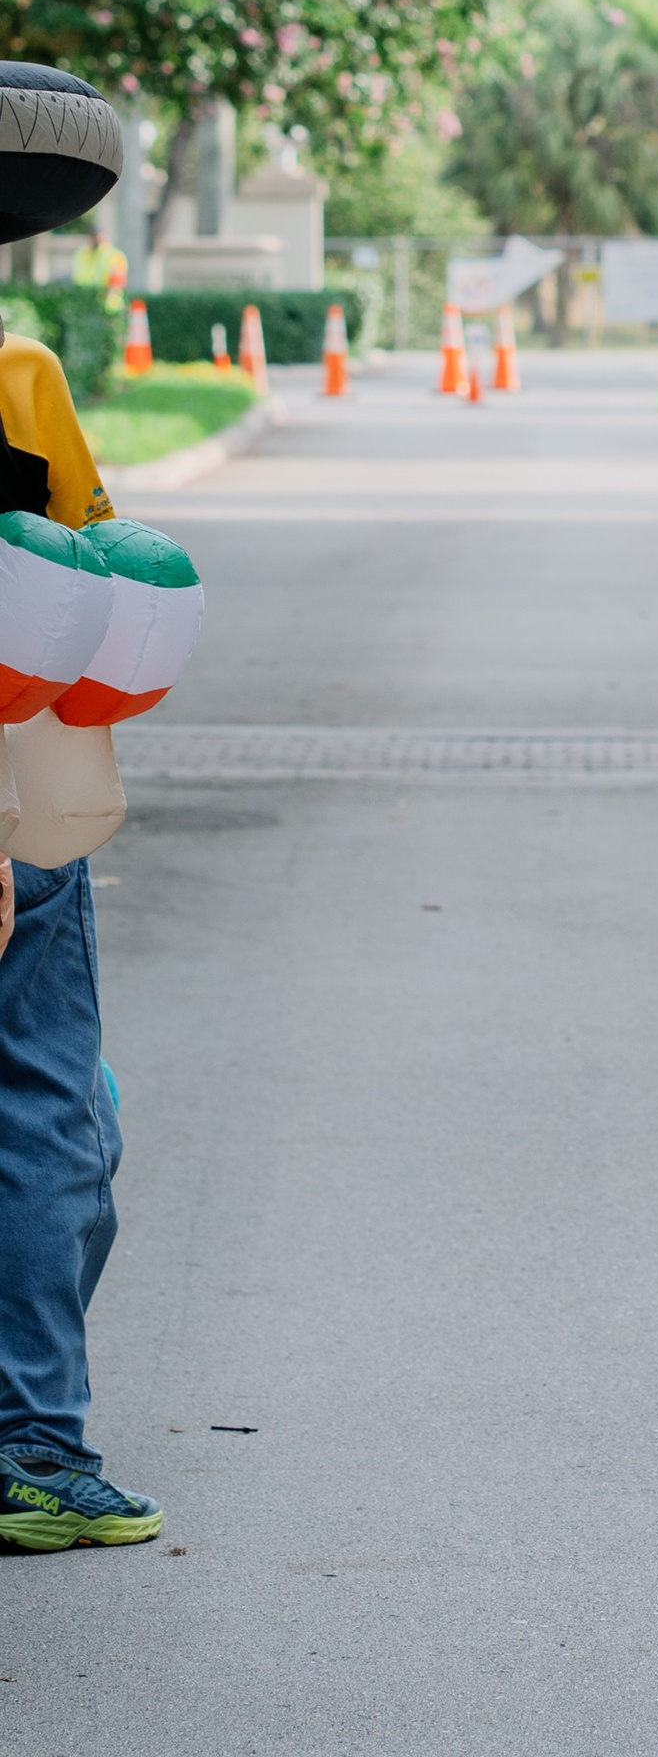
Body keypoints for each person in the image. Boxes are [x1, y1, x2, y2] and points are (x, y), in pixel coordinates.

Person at [0, 320, 160, 1556]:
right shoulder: (15, 372)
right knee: (52, 1111)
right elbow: (86, 579)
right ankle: (34, 1450)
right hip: (23, 798)